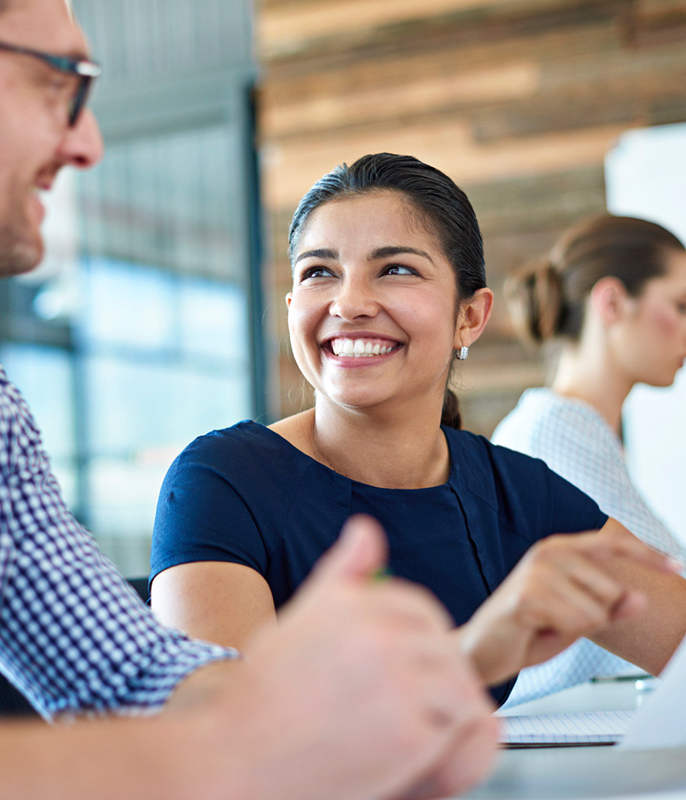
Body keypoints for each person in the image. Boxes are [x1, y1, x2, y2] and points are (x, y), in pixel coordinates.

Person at [0, 3, 502, 798]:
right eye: (54, 85)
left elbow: (126, 673)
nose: (87, 142)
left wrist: (312, 709)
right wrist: (218, 751)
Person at [150, 152, 686, 707]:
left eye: (395, 269)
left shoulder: (516, 492)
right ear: (291, 308)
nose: (350, 302)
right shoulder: (221, 482)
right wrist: (471, 654)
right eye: (319, 272)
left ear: (470, 317)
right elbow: (217, 737)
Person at [492, 213, 686, 705]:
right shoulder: (555, 431)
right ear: (613, 302)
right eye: (681, 305)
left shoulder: (585, 432)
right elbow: (664, 597)